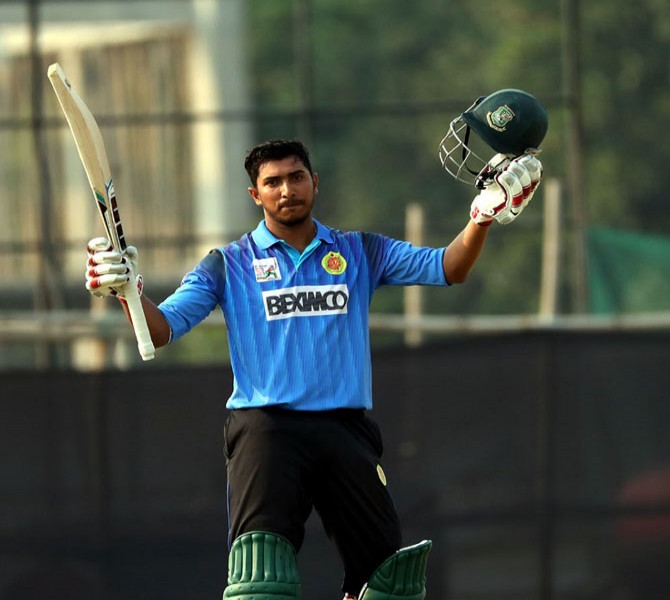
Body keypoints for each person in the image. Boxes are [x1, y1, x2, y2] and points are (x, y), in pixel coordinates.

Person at [85, 106, 543, 598]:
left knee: (389, 584)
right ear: (255, 193)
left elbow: (449, 267)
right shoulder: (228, 264)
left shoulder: (359, 250)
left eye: (296, 177)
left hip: (345, 427)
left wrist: (481, 219)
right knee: (261, 581)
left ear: (314, 182)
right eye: (274, 181)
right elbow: (162, 329)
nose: (287, 189)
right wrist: (128, 290)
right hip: (266, 426)